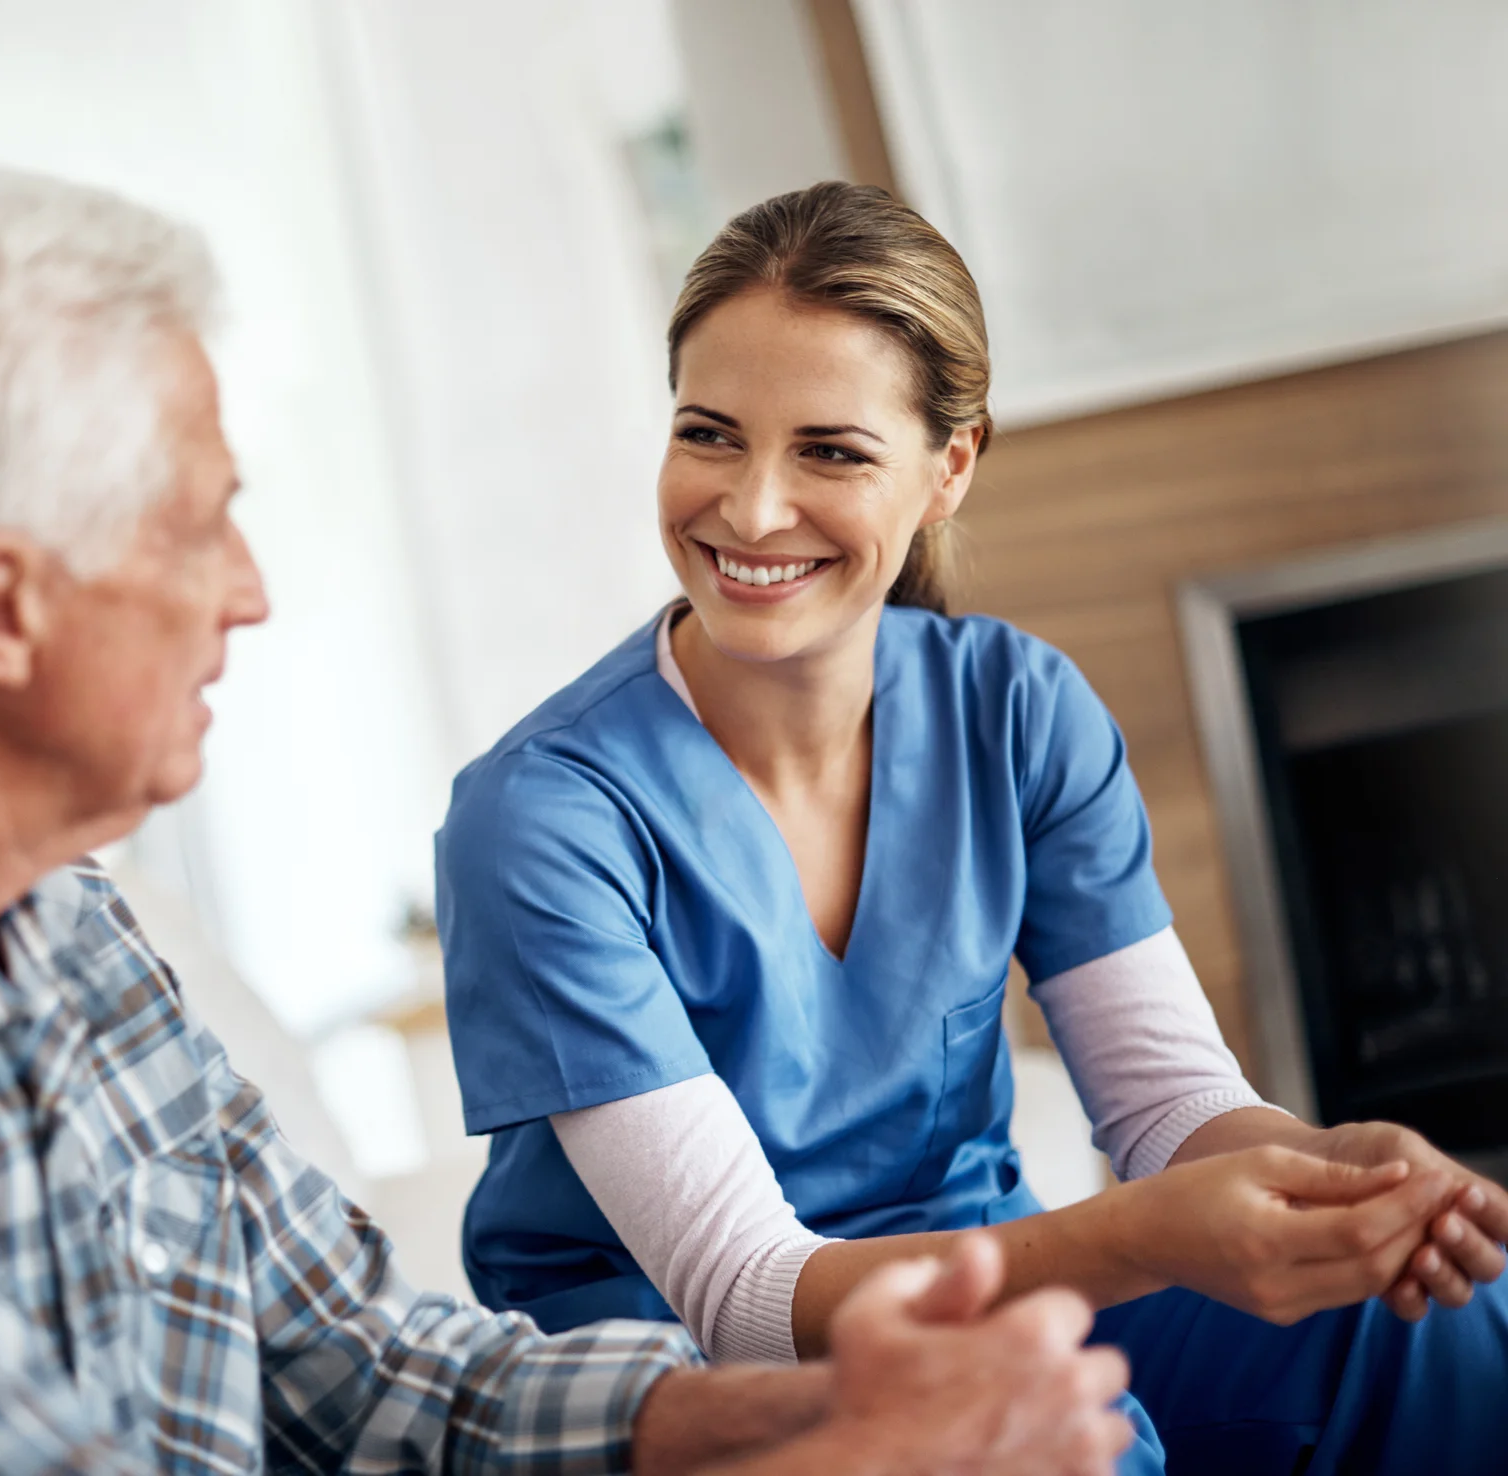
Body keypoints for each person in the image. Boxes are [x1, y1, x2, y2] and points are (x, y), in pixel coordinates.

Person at [0, 168, 1135, 1476]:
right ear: (1, 612)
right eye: (205, 527)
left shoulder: (72, 932)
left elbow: (365, 1367)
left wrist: (793, 1418)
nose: (252, 596)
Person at [435, 181, 1508, 1475]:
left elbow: (1169, 1107)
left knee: (1437, 1325)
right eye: (710, 435)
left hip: (995, 1278)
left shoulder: (1014, 711)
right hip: (698, 1369)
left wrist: (1342, 1182)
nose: (752, 508)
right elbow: (742, 1290)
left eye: (829, 451)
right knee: (1080, 1446)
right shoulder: (542, 820)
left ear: (949, 468)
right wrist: (1150, 1235)